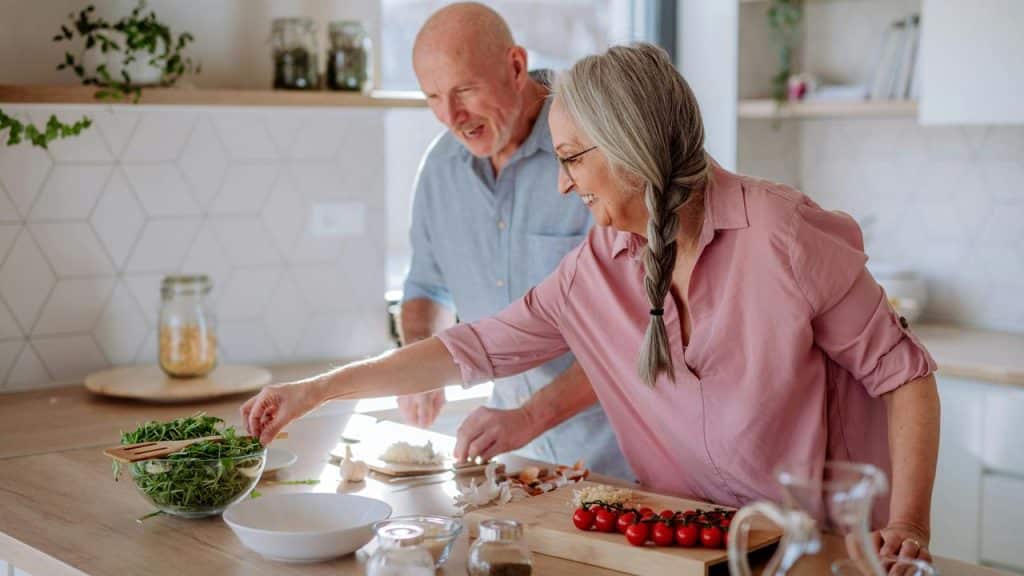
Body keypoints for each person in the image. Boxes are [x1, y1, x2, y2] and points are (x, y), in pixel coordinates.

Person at [242, 43, 940, 561]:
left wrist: (910, 521)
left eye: (574, 158)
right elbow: (472, 348)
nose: (563, 185)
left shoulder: (781, 236)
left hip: (817, 550)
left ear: (630, 147)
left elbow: (905, 377)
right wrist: (319, 391)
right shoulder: (597, 267)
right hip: (687, 549)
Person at [390, 2, 631, 479]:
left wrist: (530, 417)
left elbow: (633, 332)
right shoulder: (440, 170)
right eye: (432, 96)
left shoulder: (593, 151)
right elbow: (425, 287)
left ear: (516, 66)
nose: (450, 115)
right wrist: (419, 364)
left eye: (464, 90)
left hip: (619, 459)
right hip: (513, 465)